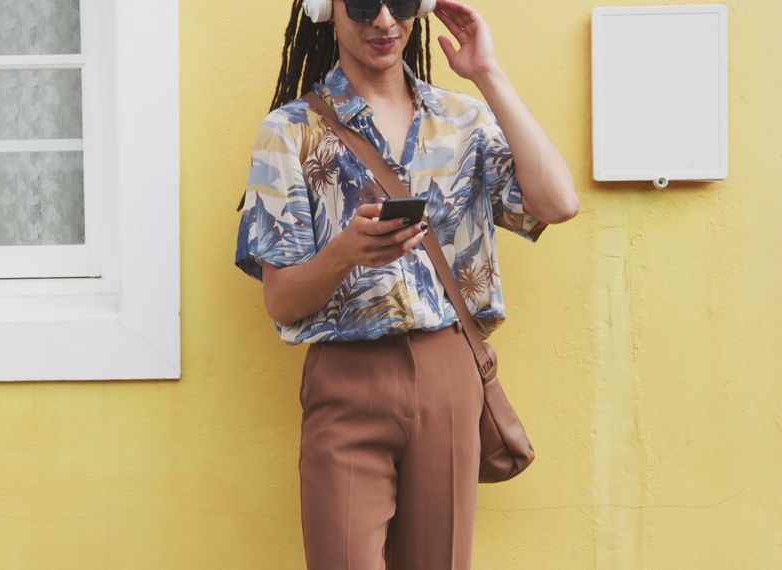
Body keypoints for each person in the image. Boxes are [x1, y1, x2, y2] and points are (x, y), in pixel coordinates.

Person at [234, 0, 579, 567]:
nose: (384, 21)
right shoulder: (289, 131)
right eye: (364, 3)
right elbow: (282, 300)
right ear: (328, 11)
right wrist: (347, 251)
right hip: (345, 381)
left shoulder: (464, 119)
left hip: (449, 372)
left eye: (400, 1)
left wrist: (488, 74)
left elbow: (558, 203)